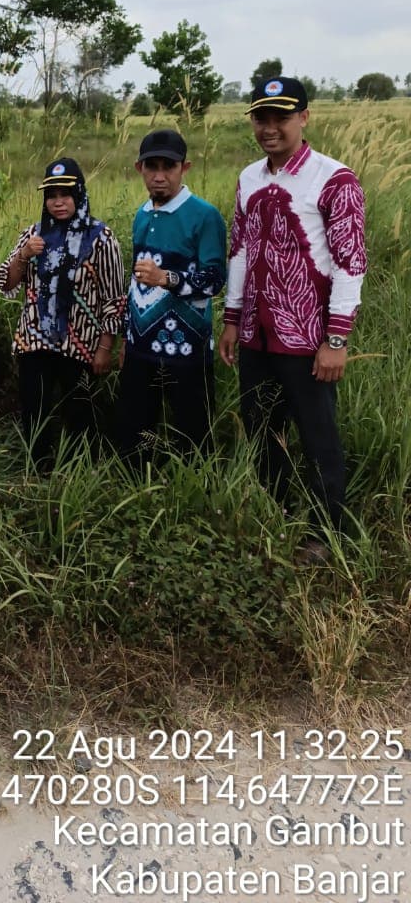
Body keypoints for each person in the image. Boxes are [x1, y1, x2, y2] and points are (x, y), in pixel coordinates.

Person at [218, 77, 366, 565]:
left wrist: (337, 339)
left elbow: (350, 263)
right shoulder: (249, 179)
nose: (270, 127)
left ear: (305, 117)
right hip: (258, 335)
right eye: (261, 118)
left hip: (307, 339)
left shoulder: (332, 179)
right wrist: (232, 318)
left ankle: (327, 534)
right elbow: (238, 251)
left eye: (281, 117)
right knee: (263, 430)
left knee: (317, 435)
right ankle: (275, 516)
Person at [0, 158, 123, 461]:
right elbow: (5, 282)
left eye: (66, 195)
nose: (58, 202)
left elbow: (115, 298)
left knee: (80, 412)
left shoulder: (101, 239)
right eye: (51, 196)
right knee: (33, 409)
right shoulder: (34, 234)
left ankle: (82, 472)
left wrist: (105, 347)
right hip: (34, 339)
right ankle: (37, 470)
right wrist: (24, 256)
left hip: (80, 344)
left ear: (79, 195)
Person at [117, 130, 227, 465]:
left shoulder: (205, 216)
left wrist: (168, 278)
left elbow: (214, 280)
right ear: (140, 168)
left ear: (185, 168)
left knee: (192, 431)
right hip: (140, 345)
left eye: (169, 167)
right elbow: (136, 284)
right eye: (152, 167)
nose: (160, 176)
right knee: (134, 428)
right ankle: (135, 489)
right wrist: (126, 336)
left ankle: (196, 495)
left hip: (187, 348)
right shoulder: (141, 214)